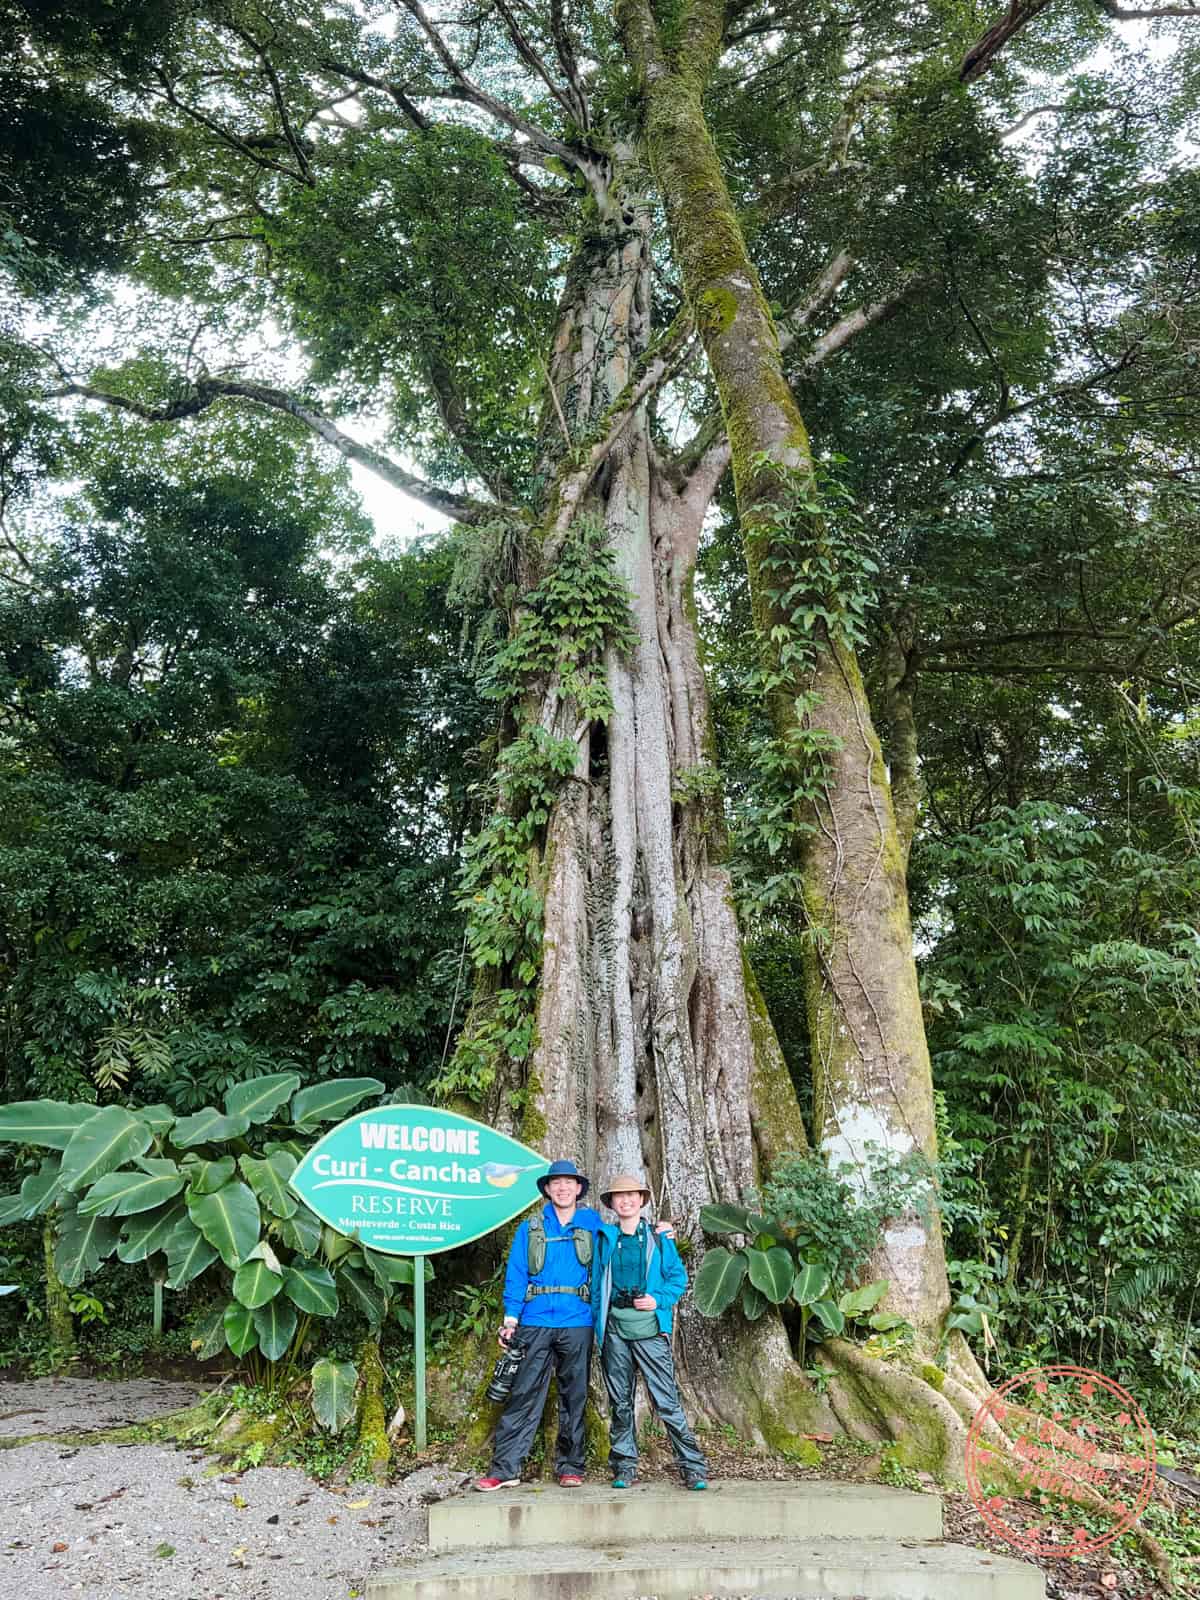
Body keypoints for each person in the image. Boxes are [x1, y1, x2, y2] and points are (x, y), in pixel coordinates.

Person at [475, 1157, 674, 1492]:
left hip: (578, 1321)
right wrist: (511, 1319)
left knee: (574, 1395)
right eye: (557, 1183)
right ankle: (505, 1468)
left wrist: (661, 1230)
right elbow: (516, 1275)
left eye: (569, 1182)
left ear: (579, 1189)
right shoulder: (532, 1227)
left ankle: (571, 1465)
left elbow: (629, 1235)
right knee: (524, 1394)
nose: (563, 1187)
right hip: (535, 1320)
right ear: (548, 1190)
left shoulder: (593, 1224)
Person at [594, 1173, 709, 1491]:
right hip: (614, 1330)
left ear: (642, 1200)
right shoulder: (605, 1238)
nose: (626, 1200)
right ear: (612, 1204)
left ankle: (693, 1467)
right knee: (620, 1402)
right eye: (620, 1196)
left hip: (650, 1330)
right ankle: (624, 1465)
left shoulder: (659, 1239)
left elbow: (677, 1278)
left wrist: (657, 1300)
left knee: (667, 1400)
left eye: (632, 1195)